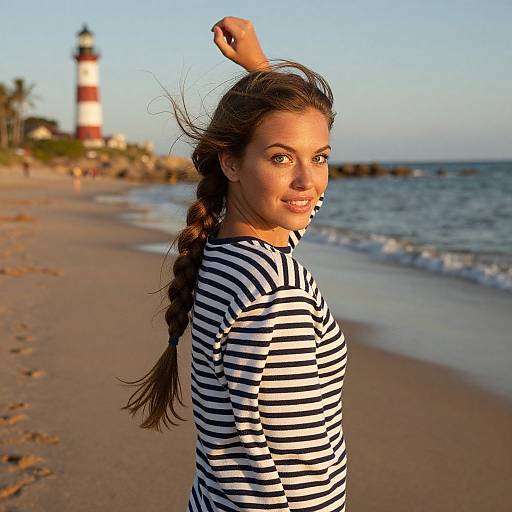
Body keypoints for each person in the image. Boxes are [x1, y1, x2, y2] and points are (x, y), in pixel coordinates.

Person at [119, 16, 348, 511]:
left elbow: (300, 204)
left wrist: (261, 74)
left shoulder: (221, 253)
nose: (309, 181)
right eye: (283, 158)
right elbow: (298, 469)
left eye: (321, 157)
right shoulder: (277, 290)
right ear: (230, 163)